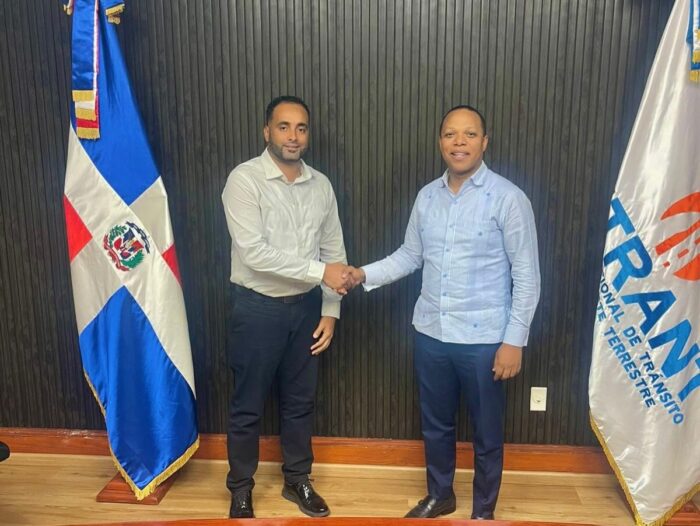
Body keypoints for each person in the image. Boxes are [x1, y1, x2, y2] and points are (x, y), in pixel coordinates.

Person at [346, 105, 540, 520]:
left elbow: (527, 275)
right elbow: (409, 255)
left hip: (485, 340)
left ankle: (483, 512)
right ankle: (440, 495)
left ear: (484, 142)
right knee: (435, 424)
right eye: (451, 134)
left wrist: (514, 340)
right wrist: (362, 274)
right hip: (431, 333)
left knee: (487, 432)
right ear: (440, 142)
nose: (459, 142)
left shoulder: (508, 198)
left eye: (469, 134)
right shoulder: (427, 197)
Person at [222, 95, 350, 519]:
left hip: (307, 310)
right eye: (283, 126)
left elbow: (334, 250)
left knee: (300, 402)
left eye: (301, 128)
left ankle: (297, 479)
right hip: (257, 310)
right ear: (267, 131)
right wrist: (321, 273)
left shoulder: (321, 185)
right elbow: (254, 253)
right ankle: (241, 488)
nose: (293, 136)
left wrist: (330, 311)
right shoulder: (244, 180)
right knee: (247, 405)